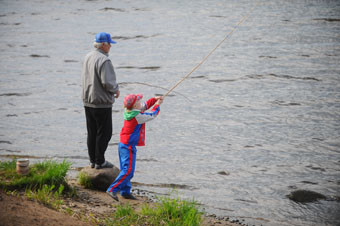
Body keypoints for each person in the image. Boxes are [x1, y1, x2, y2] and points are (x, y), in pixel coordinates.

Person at [106, 94, 163, 201]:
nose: (141, 102)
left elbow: (145, 106)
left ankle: (125, 192)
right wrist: (157, 105)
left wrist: (153, 99)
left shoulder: (129, 111)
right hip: (128, 146)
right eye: (139, 101)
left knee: (125, 169)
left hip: (123, 144)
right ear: (135, 105)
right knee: (129, 171)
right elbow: (152, 115)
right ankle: (112, 189)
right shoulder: (138, 116)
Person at [81, 32, 120, 169]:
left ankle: (93, 161)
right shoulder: (104, 60)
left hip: (88, 101)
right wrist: (116, 90)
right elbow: (107, 83)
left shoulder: (88, 57)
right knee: (105, 133)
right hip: (101, 103)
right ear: (103, 44)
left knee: (92, 132)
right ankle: (100, 161)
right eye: (109, 44)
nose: (110, 46)